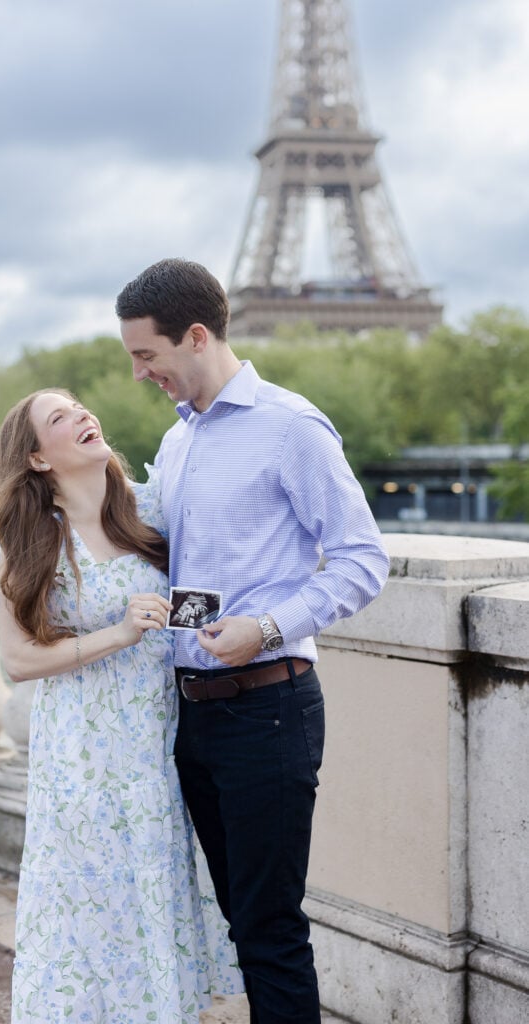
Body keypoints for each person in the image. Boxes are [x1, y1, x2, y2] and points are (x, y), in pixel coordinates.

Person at [115, 259, 391, 1024]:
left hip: (268, 710)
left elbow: (364, 560)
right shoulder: (177, 442)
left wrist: (266, 628)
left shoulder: (290, 427)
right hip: (192, 715)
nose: (139, 373)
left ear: (196, 336)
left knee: (269, 931)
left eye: (147, 355)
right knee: (242, 922)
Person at [0, 388, 242, 1024]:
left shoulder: (148, 509)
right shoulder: (27, 535)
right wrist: (118, 634)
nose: (82, 416)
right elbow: (18, 660)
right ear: (38, 458)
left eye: (79, 407)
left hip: (160, 745)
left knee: (151, 892)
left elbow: (207, 587)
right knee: (88, 904)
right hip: (81, 756)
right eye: (59, 417)